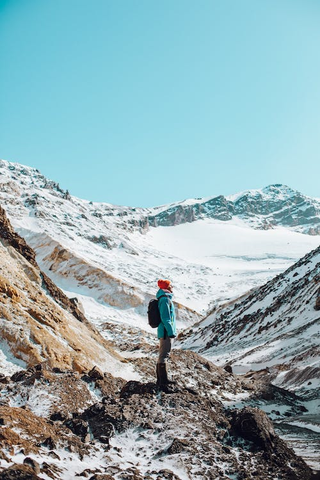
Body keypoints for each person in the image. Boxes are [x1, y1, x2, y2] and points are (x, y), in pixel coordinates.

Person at [156, 279, 177, 392]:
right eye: (170, 286)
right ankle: (163, 381)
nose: (172, 287)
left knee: (163, 354)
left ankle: (161, 379)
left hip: (164, 331)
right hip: (165, 331)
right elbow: (165, 318)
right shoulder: (164, 299)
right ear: (167, 288)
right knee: (164, 355)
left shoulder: (165, 298)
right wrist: (171, 332)